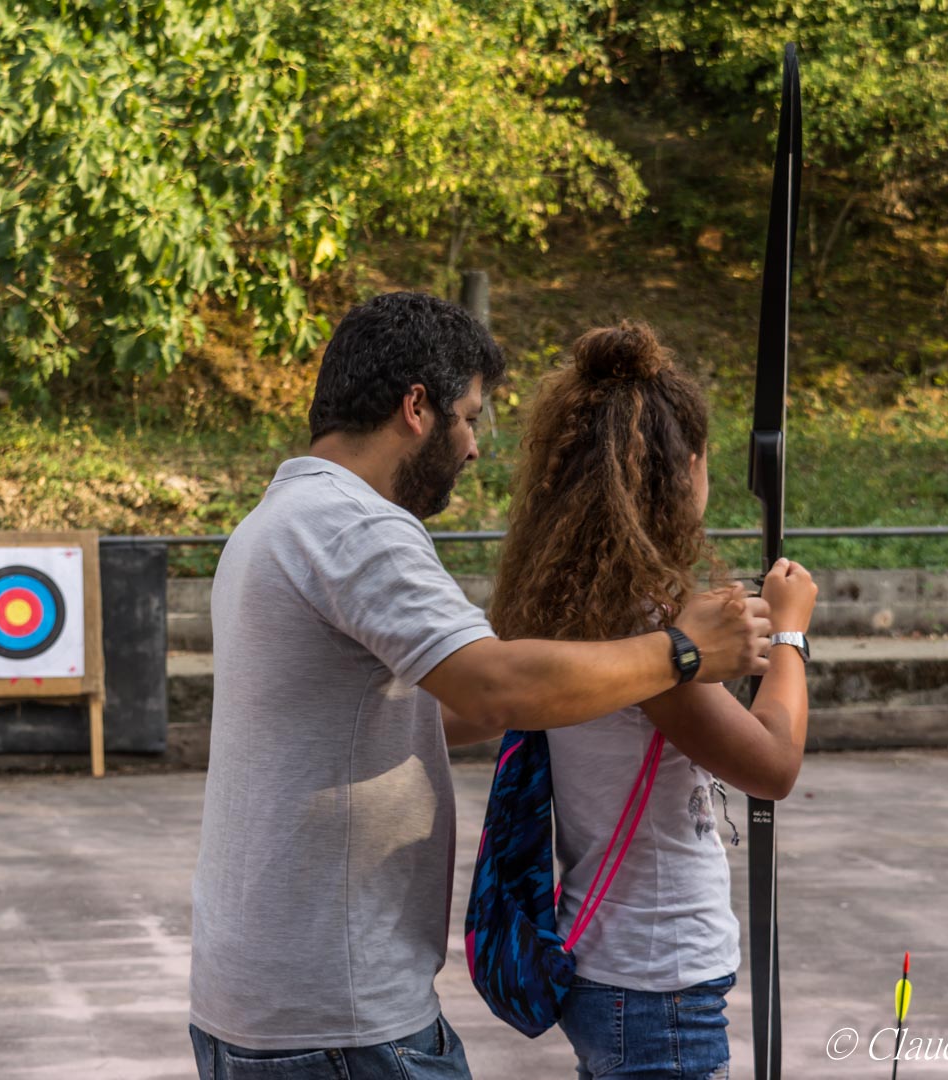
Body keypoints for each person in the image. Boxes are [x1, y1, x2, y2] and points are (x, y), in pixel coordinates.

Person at [188, 293, 775, 1080]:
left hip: (260, 1002)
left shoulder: (275, 519)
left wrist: (588, 674)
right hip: (342, 1019)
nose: (472, 447)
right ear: (416, 408)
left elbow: (429, 708)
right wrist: (682, 650)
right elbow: (493, 687)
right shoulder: (355, 525)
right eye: (469, 416)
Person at [486, 320, 819, 1080]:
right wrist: (792, 634)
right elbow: (771, 765)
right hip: (657, 977)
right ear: (688, 469)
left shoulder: (565, 607)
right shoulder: (649, 633)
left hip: (606, 961)